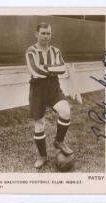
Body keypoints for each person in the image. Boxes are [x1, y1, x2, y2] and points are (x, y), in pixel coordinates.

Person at [25, 22, 74, 169]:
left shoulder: (56, 51)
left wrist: (46, 68)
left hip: (53, 88)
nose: (46, 36)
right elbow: (35, 71)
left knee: (65, 111)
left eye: (48, 33)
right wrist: (53, 69)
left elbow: (63, 69)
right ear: (37, 34)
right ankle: (42, 156)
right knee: (39, 124)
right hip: (38, 89)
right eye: (43, 33)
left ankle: (59, 141)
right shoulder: (31, 51)